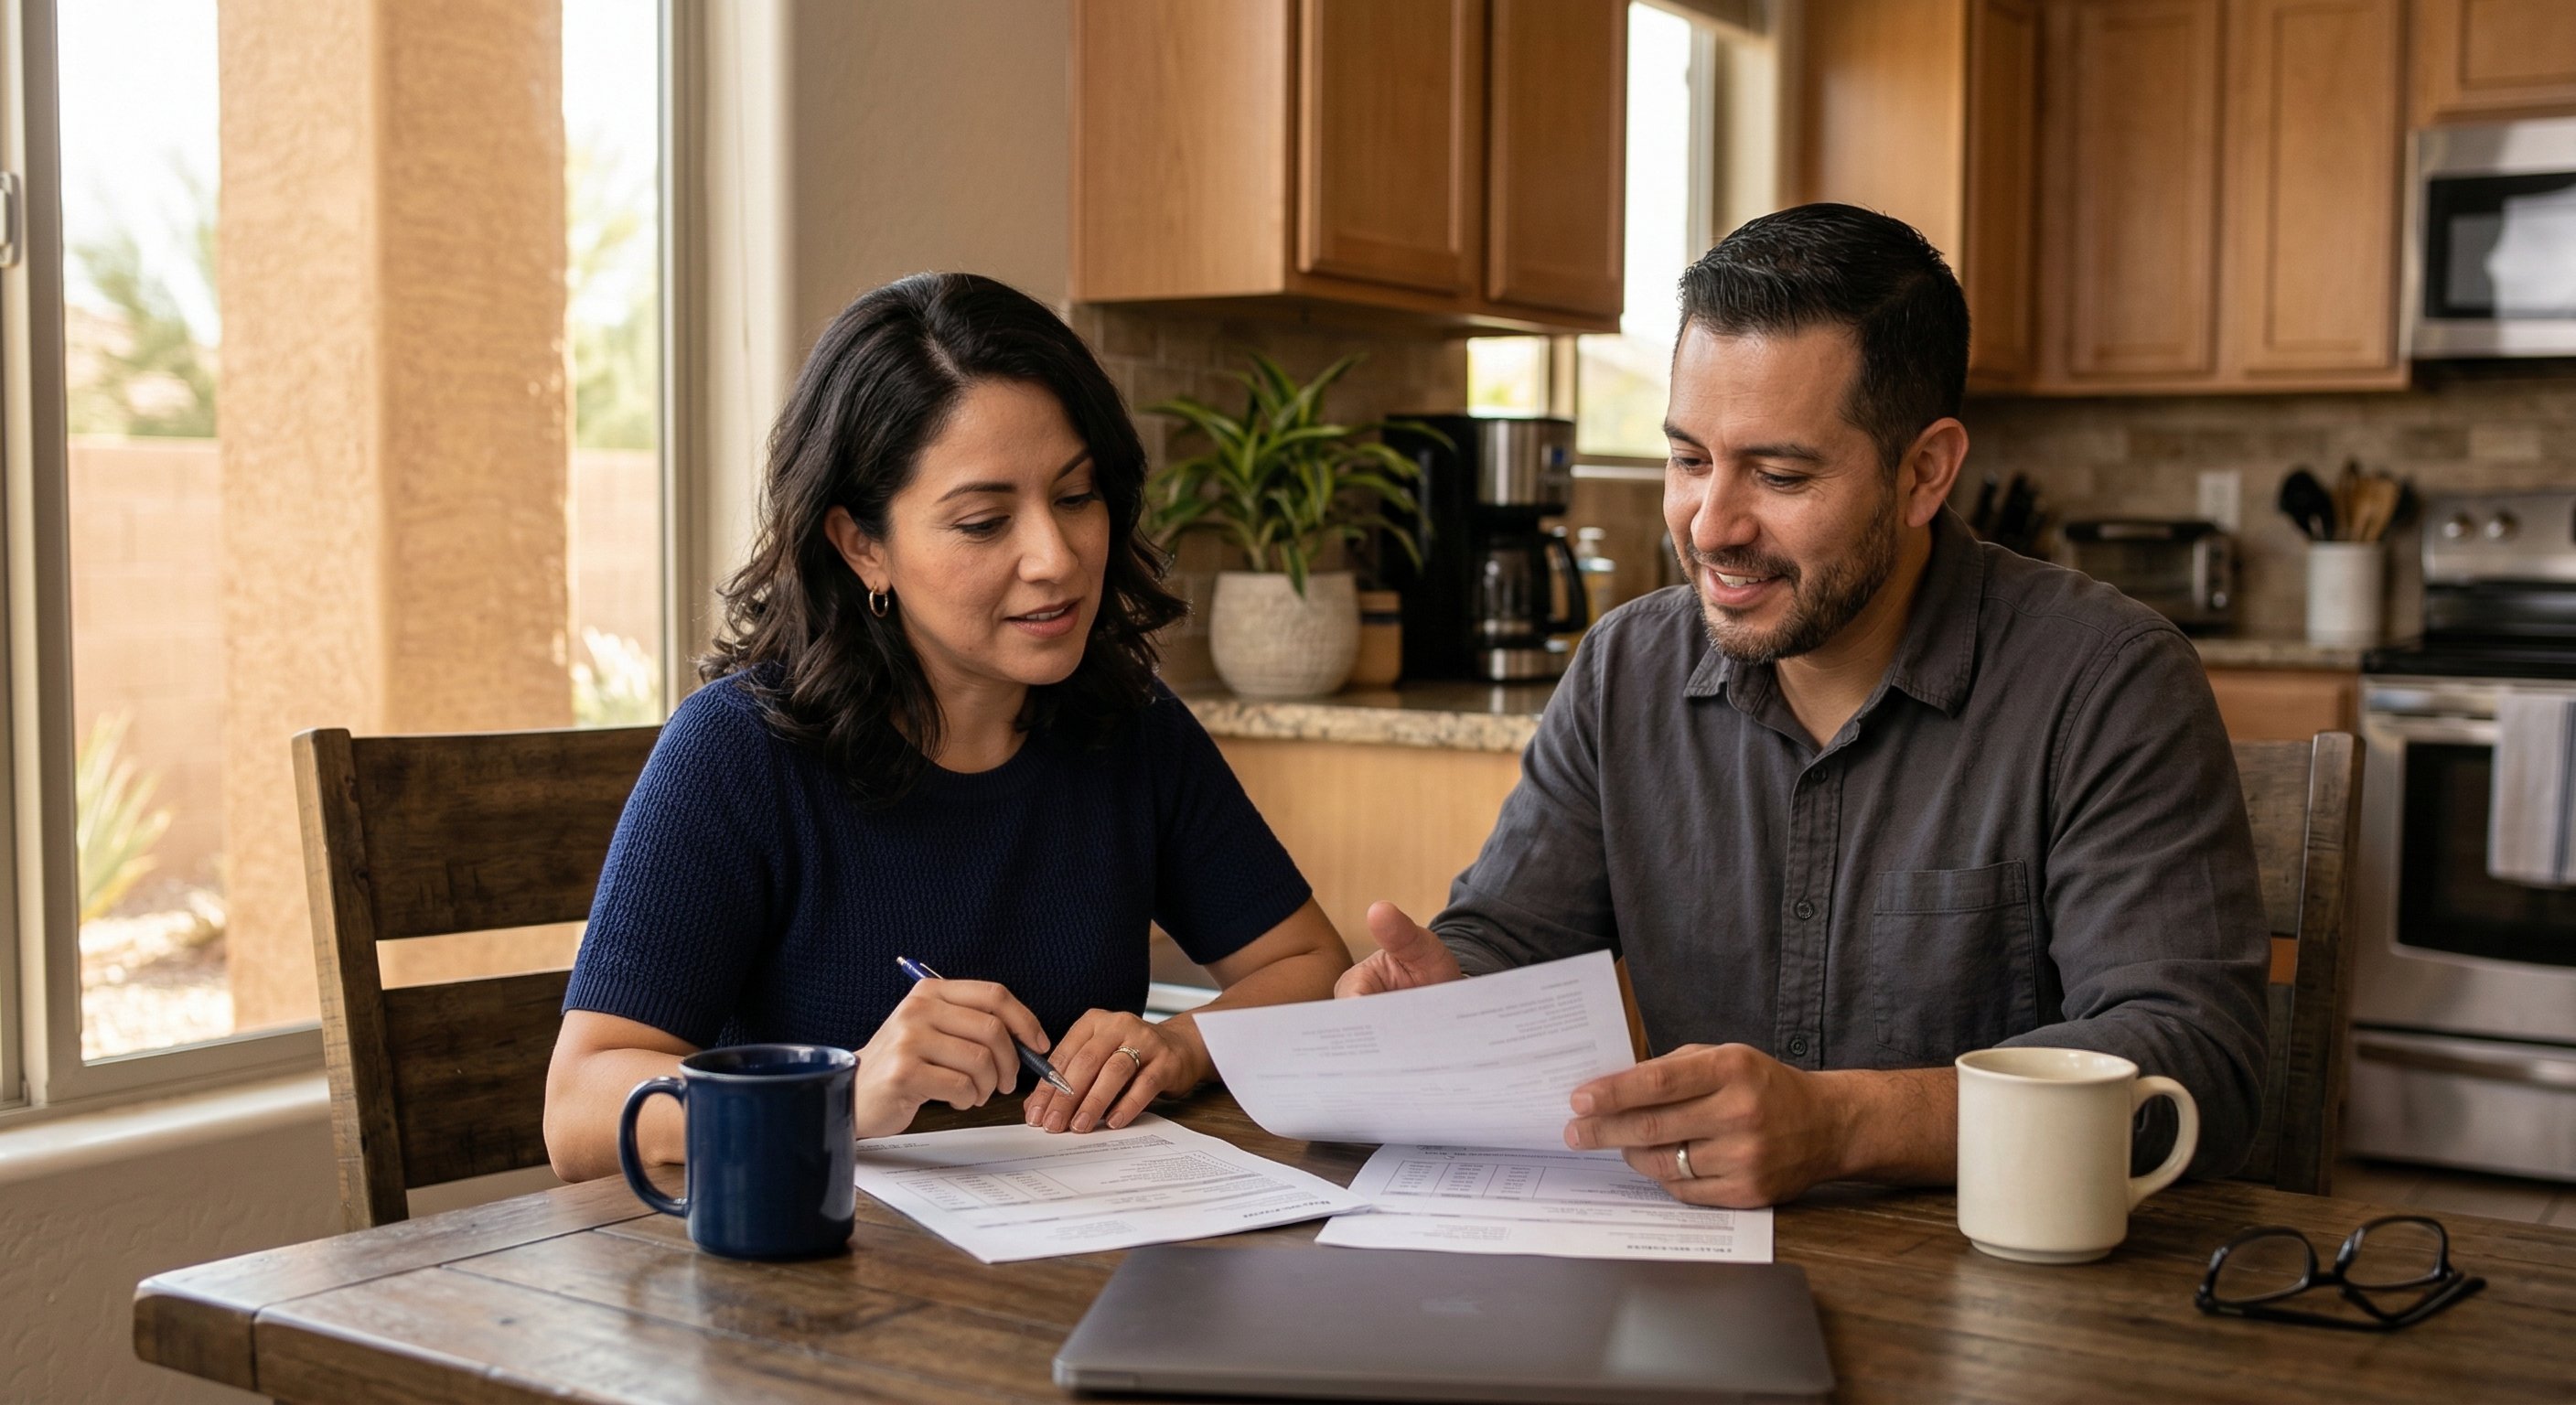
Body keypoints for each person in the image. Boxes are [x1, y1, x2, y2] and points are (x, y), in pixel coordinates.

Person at [1337, 204, 2270, 1208]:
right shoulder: (1624, 668)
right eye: (1689, 460)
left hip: (1995, 1294)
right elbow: (1508, 940)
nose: (1711, 527)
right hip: (1684, 1281)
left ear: (1923, 471)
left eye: (1778, 474)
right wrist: (1440, 999)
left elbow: (2193, 1061)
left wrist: (1837, 1126)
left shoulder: (2105, 678)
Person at [543, 273, 1349, 1182]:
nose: (1055, 558)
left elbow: (1310, 963)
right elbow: (578, 1110)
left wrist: (1179, 1047)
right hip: (804, 1285)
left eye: (1076, 496)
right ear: (863, 546)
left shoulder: (1130, 727)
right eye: (982, 521)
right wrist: (839, 1094)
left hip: (1076, 1262)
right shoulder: (735, 753)